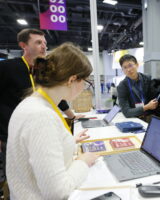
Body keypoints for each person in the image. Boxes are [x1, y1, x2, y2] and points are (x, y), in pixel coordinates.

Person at [6, 43, 99, 199]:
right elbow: (57, 192)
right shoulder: (41, 116)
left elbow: (36, 148)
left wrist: (68, 140)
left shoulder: (34, 103)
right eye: (85, 82)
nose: (84, 87)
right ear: (72, 80)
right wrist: (83, 162)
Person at [0, 29, 82, 183]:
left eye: (44, 42)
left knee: (45, 176)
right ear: (23, 45)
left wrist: (72, 116)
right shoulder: (8, 68)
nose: (44, 46)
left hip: (41, 131)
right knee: (22, 179)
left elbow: (57, 96)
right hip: (12, 135)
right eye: (38, 42)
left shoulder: (43, 70)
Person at [117, 54, 158, 119]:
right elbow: (126, 112)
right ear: (122, 70)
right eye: (124, 67)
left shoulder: (147, 78)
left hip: (150, 116)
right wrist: (146, 107)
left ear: (137, 65)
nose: (128, 69)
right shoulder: (122, 86)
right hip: (135, 119)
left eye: (130, 65)